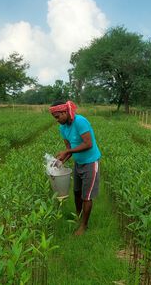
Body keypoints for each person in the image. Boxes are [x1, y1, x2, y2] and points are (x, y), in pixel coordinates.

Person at [50, 100, 101, 236]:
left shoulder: (80, 122)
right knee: (77, 192)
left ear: (65, 112)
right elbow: (69, 149)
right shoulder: (63, 128)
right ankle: (78, 217)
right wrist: (59, 163)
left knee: (86, 196)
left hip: (90, 162)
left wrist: (67, 152)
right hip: (78, 163)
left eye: (57, 117)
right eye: (55, 118)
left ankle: (84, 225)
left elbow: (88, 144)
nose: (57, 120)